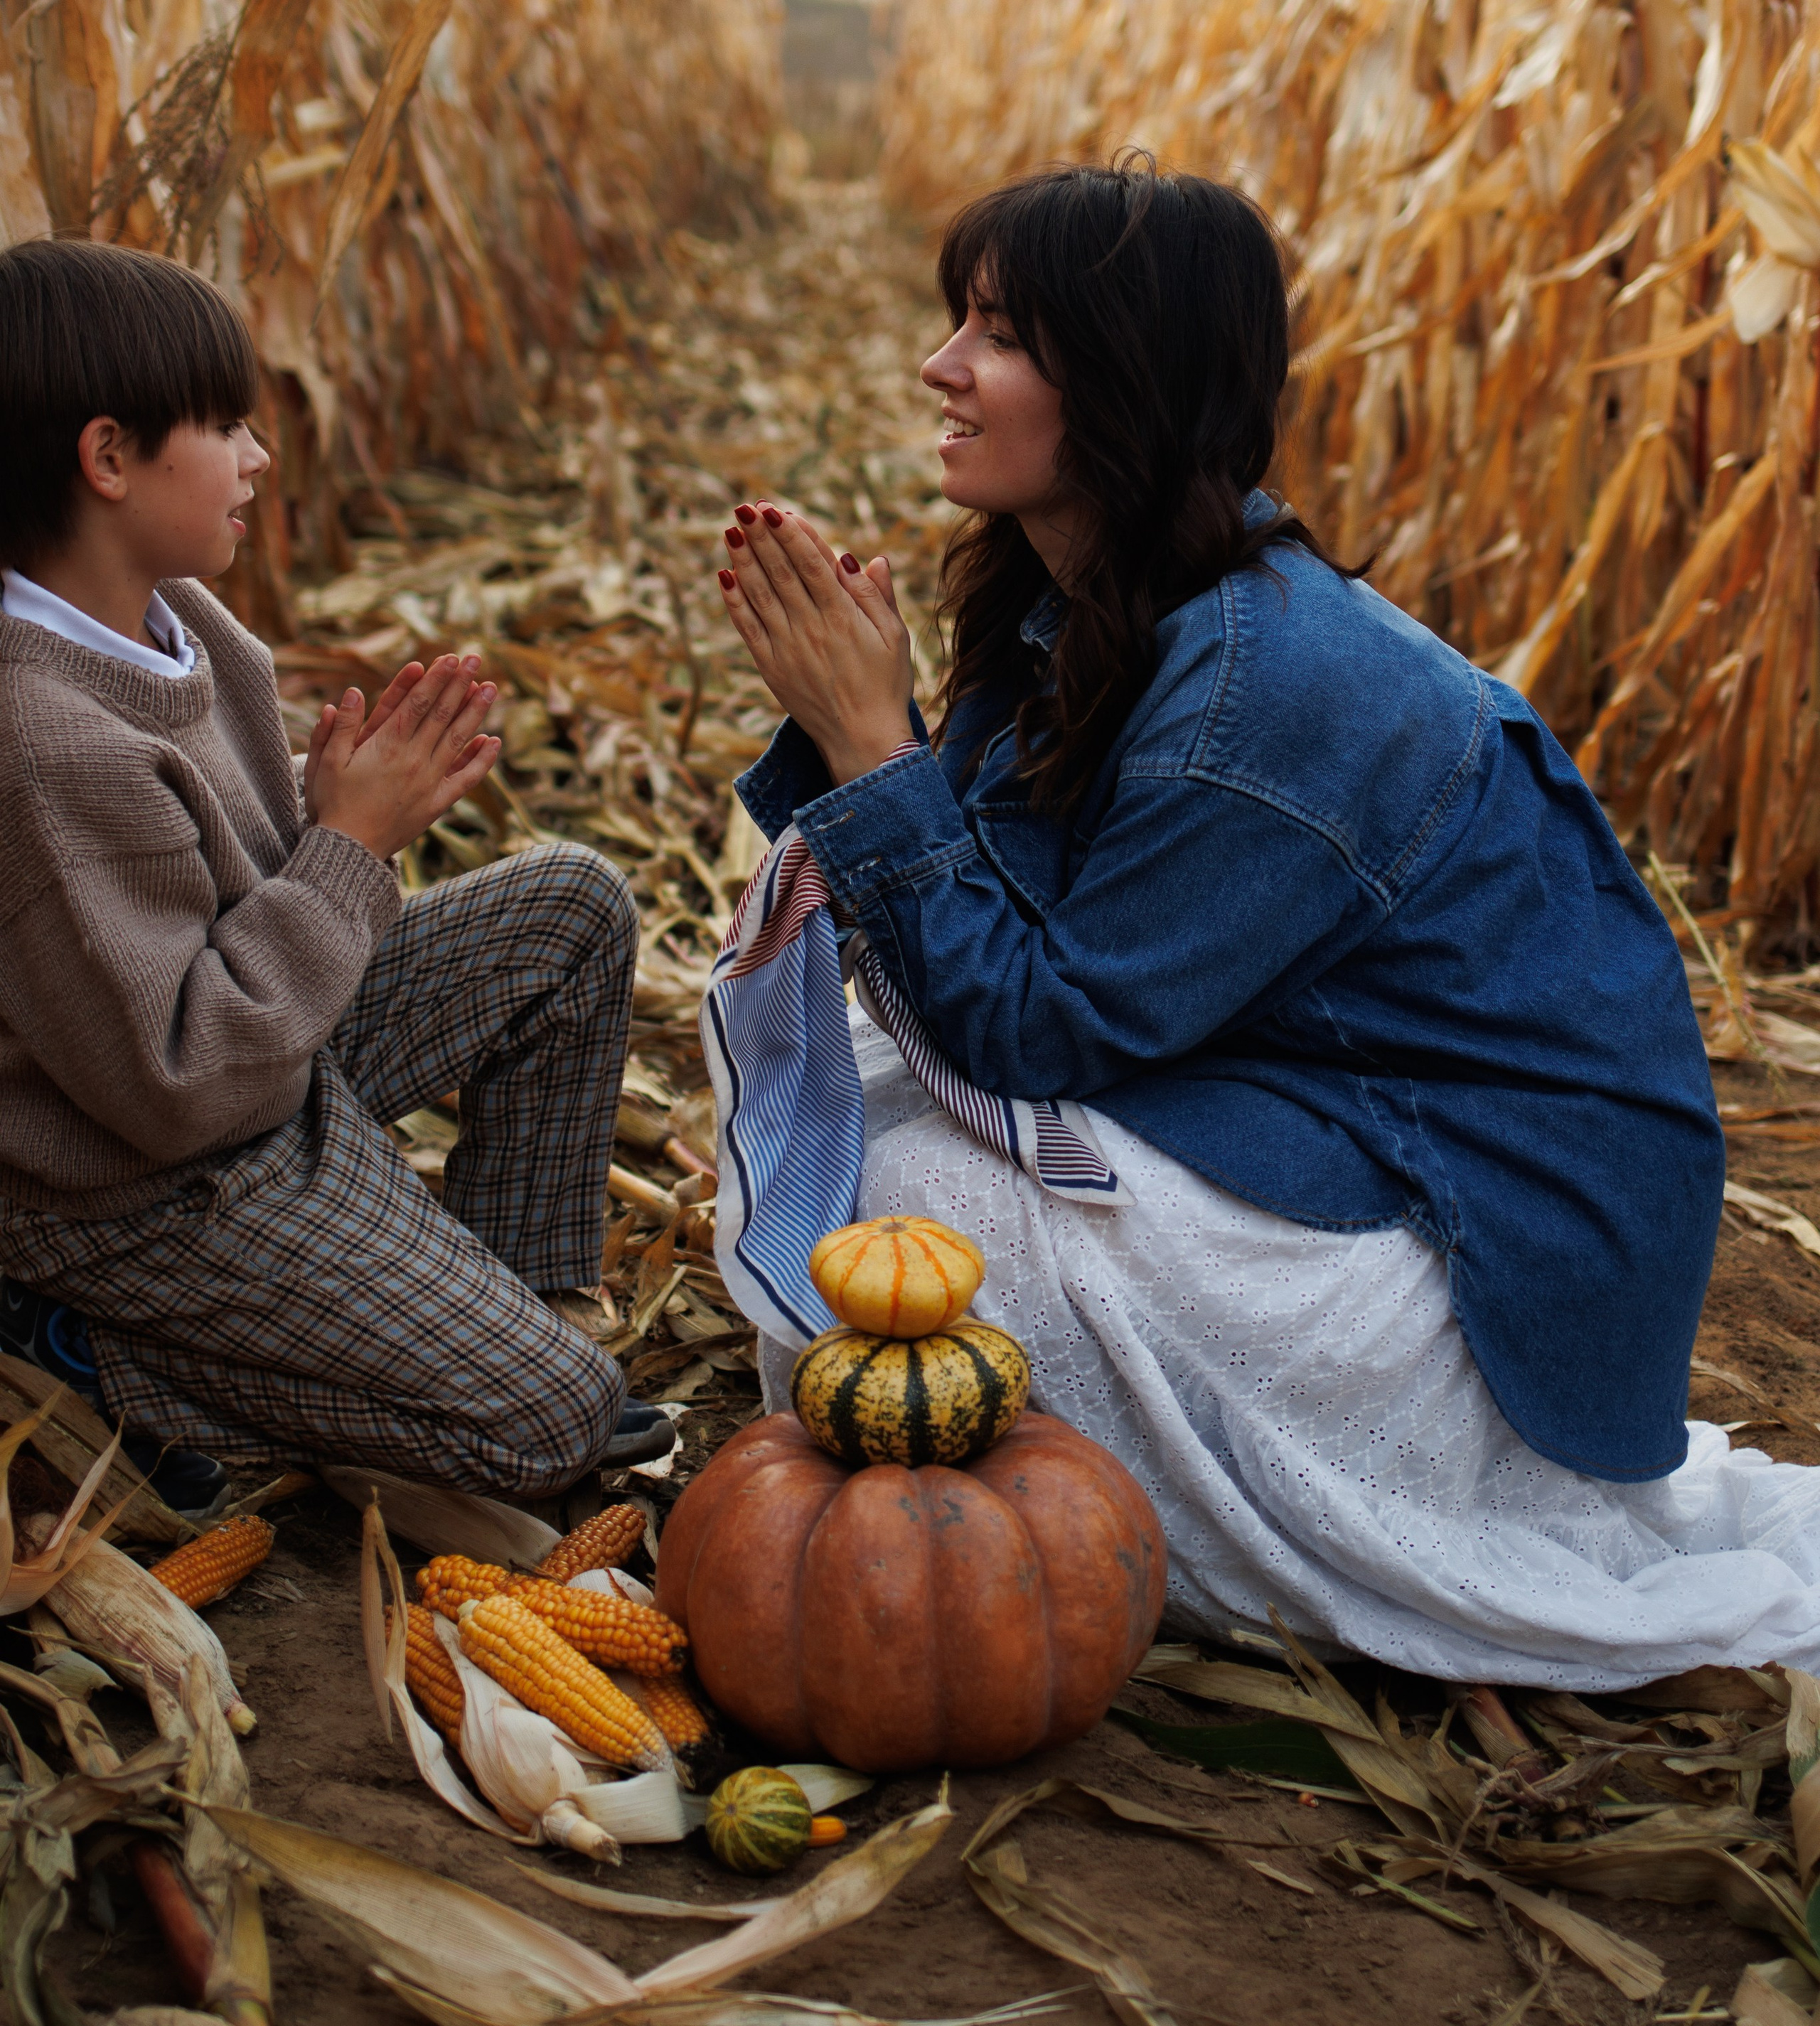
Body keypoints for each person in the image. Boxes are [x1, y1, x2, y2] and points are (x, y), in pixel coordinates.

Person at [707, 159, 1820, 1694]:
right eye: (955, 321)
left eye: (998, 334)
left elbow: (1030, 1026)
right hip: (1327, 1110)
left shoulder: (1264, 687)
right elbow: (985, 918)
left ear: (1124, 384)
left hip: (1482, 1238)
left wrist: (865, 748)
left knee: (920, 1200)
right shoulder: (1076, 605)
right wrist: (879, 737)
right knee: (865, 1114)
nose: (940, 369)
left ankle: (1252, 1519)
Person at [0, 237, 672, 1518]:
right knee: (551, 1427)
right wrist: (350, 847)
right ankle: (92, 1352)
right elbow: (184, 1083)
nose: (259, 456)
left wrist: (330, 810)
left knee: (572, 909)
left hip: (268, 1063)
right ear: (107, 460)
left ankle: (492, 1304)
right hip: (139, 1189)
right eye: (226, 427)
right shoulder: (44, 744)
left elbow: (239, 912)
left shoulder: (185, 619)